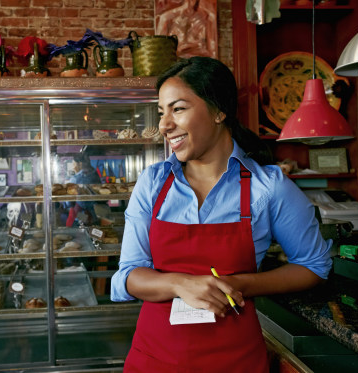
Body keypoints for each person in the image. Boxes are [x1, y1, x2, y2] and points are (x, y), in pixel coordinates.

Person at [110, 57, 332, 372]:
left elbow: (314, 266)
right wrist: (180, 284)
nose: (163, 125)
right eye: (162, 112)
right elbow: (128, 276)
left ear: (218, 111)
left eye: (178, 108)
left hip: (236, 361)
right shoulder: (153, 183)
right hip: (155, 359)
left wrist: (240, 284)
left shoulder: (268, 187)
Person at [65, 152, 101, 227]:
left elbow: (68, 202)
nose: (73, 167)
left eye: (74, 164)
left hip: (81, 214)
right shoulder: (95, 175)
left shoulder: (75, 179)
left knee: (82, 230)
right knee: (94, 231)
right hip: (95, 213)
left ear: (80, 164)